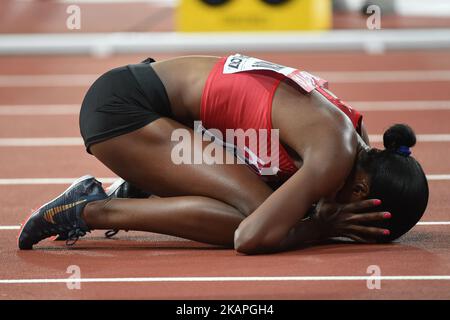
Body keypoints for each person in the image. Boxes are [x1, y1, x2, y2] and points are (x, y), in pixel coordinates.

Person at [18, 54, 429, 254]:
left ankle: (139, 187)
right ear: (361, 189)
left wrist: (305, 219)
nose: (345, 227)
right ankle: (90, 209)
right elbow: (249, 239)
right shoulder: (333, 154)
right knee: (257, 216)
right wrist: (320, 228)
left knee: (281, 206)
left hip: (160, 112)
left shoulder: (354, 134)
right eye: (354, 225)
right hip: (125, 110)